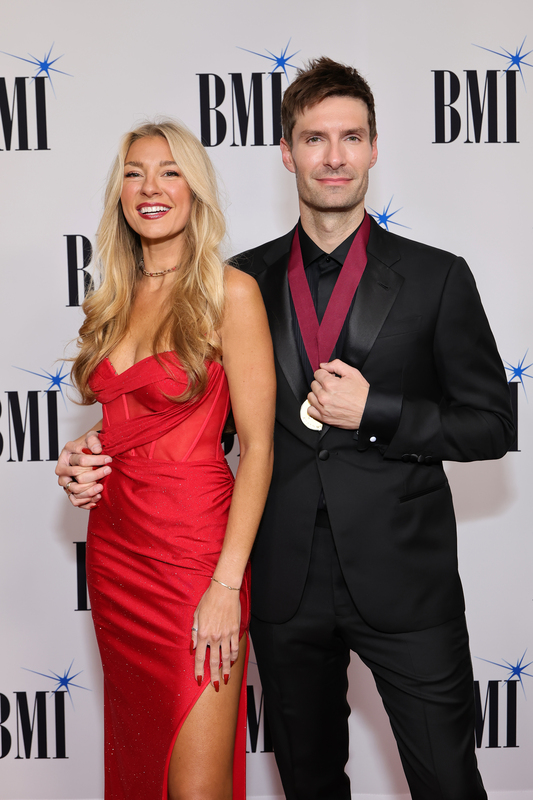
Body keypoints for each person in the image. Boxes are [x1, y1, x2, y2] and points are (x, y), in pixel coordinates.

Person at [58, 60, 515, 799]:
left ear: (374, 148)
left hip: (405, 585)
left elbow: (492, 424)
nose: (333, 156)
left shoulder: (437, 277)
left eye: (350, 137)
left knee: (449, 784)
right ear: (285, 152)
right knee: (307, 786)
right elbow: (198, 421)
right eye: (313, 138)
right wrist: (96, 448)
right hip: (280, 582)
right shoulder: (234, 283)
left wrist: (378, 411)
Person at [56, 119, 275, 800]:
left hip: (195, 556)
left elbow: (259, 448)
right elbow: (132, 419)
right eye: (134, 173)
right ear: (119, 192)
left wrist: (226, 584)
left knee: (197, 788)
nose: (150, 188)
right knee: (139, 764)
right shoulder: (112, 300)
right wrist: (83, 453)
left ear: (195, 189)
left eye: (169, 172)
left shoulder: (229, 293)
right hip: (117, 553)